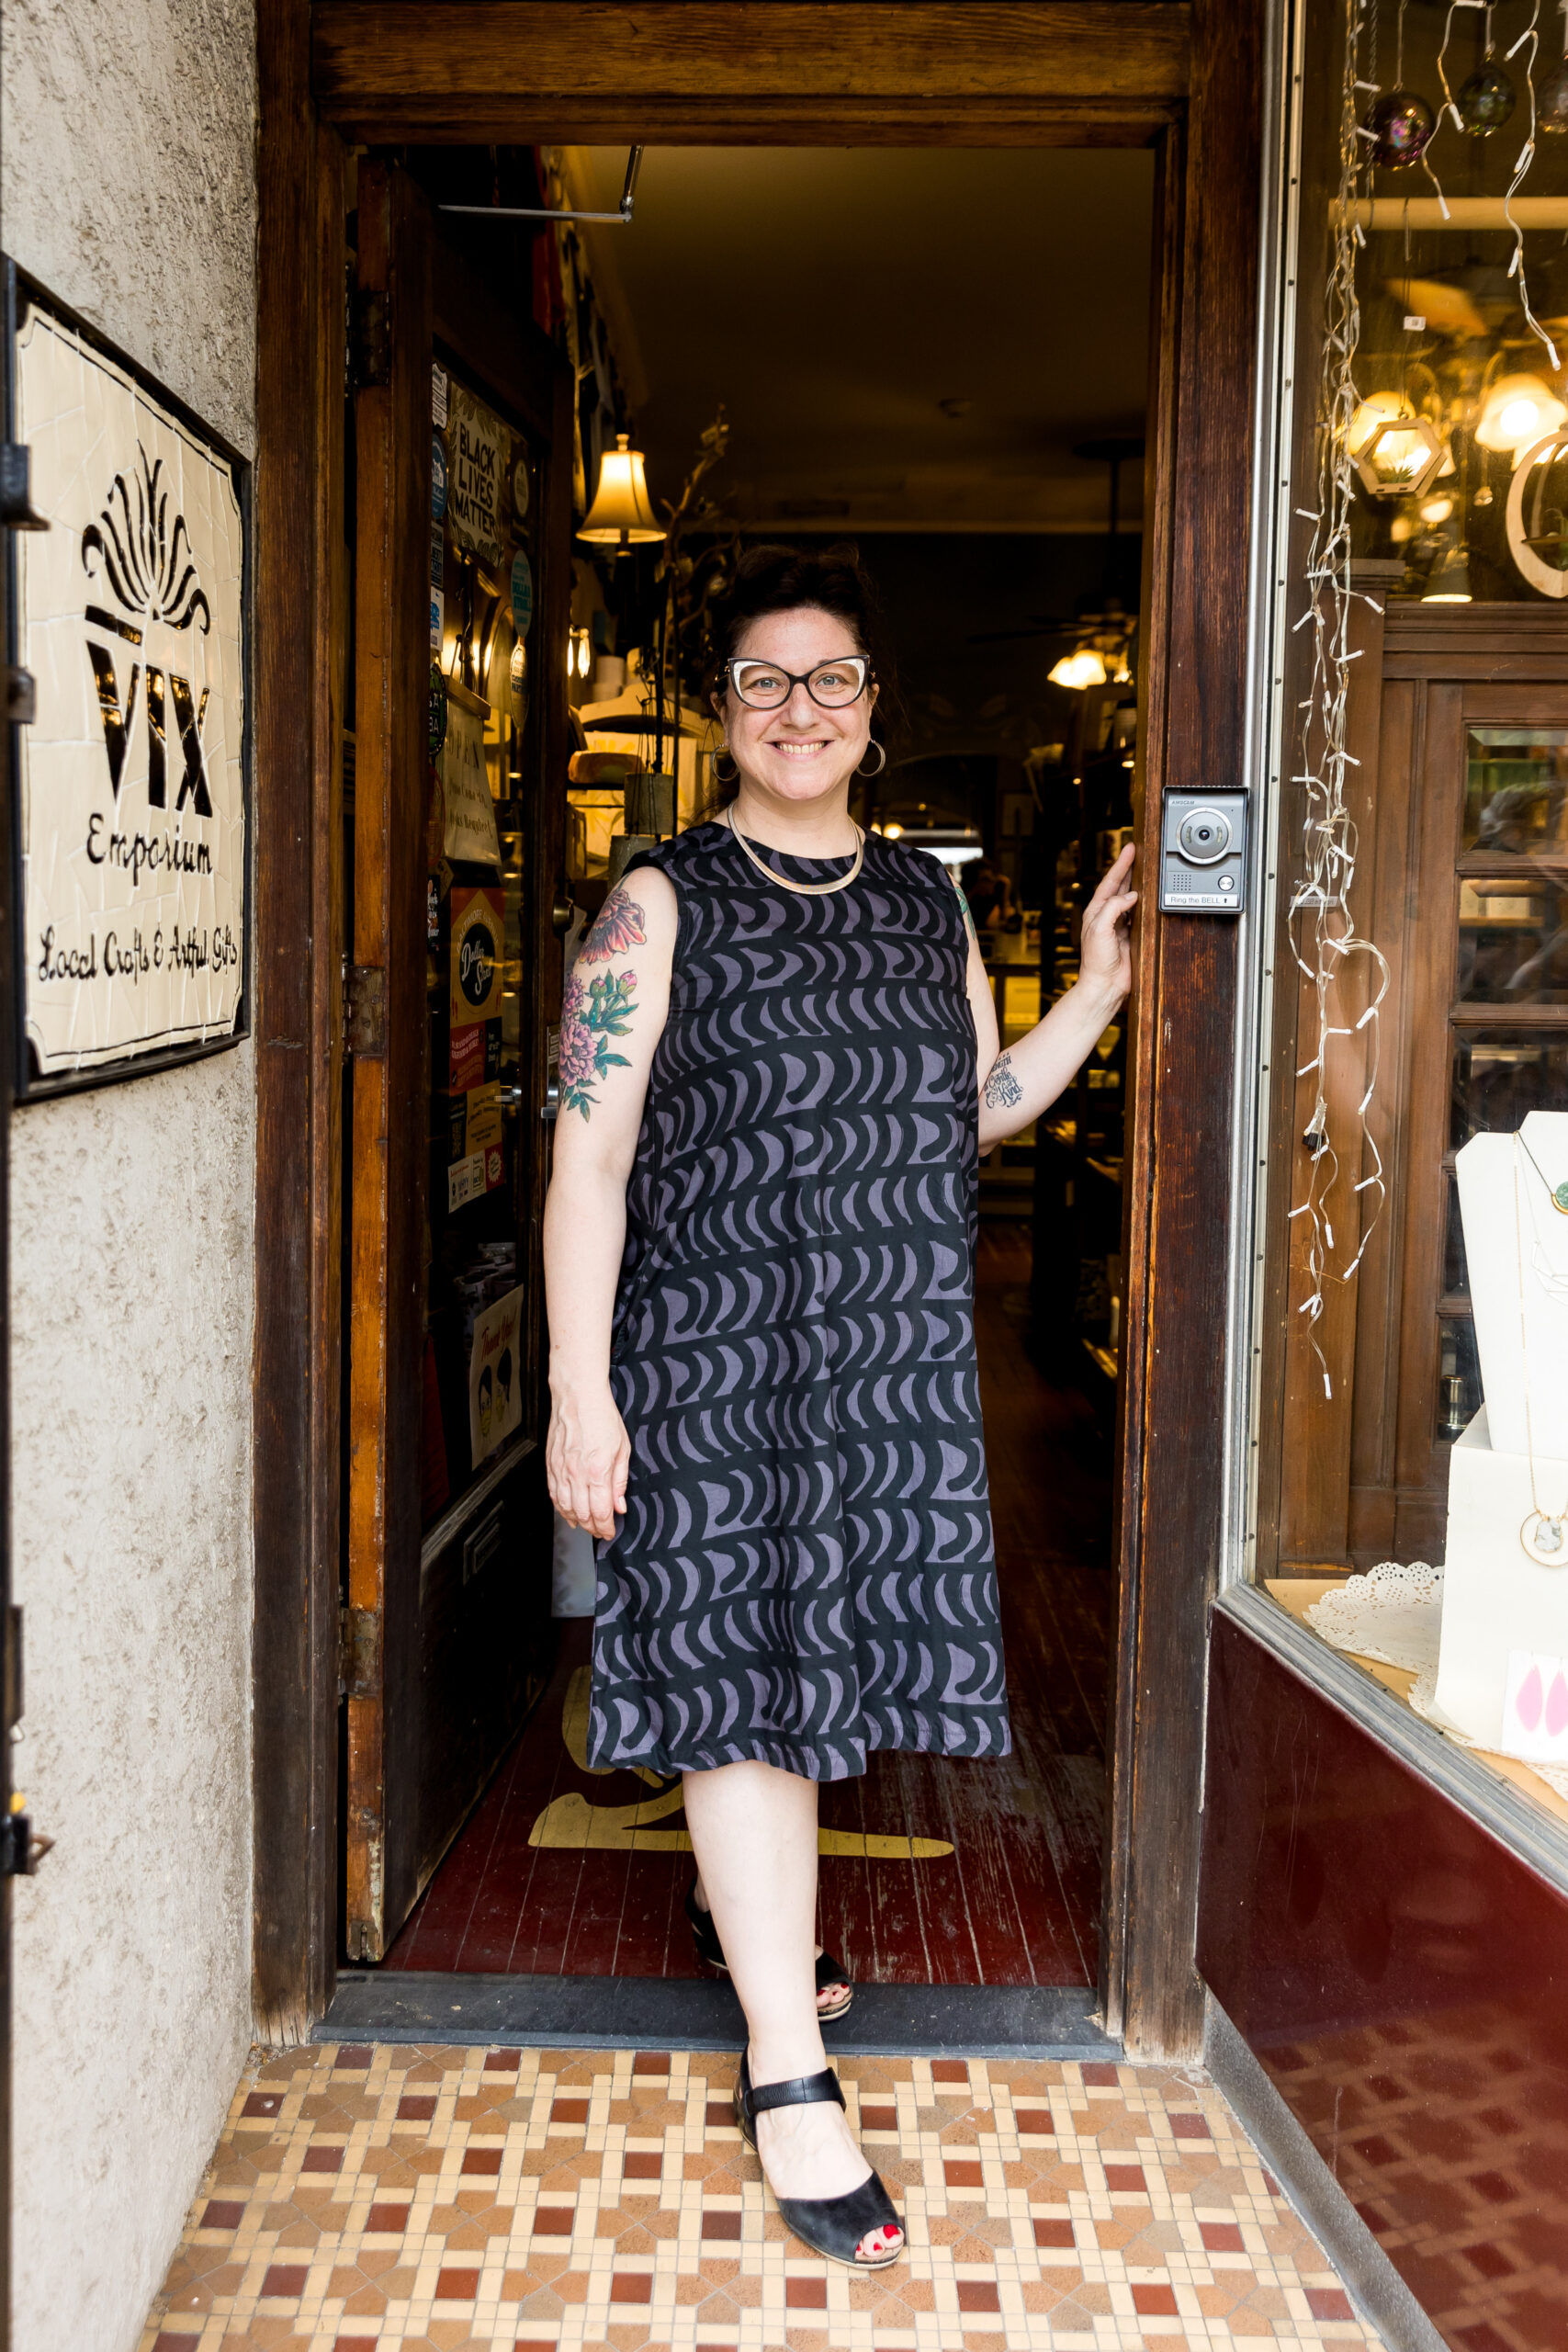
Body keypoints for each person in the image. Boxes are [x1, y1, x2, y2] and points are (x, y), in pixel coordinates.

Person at [543, 543, 1136, 2270]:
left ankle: (772, 1944)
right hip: (715, 1361)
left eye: (832, 680)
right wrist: (585, 1391)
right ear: (723, 712)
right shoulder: (659, 902)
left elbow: (967, 1108)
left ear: (874, 709)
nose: (799, 711)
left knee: (822, 1670)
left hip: (878, 1366)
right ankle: (789, 2072)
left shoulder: (927, 905)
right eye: (763, 682)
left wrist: (1094, 989)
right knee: (744, 1677)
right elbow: (587, 1162)